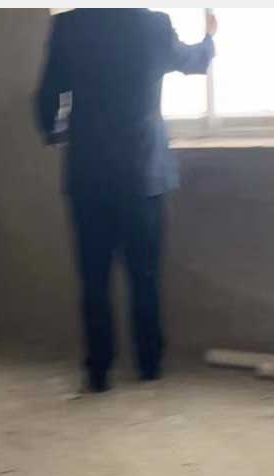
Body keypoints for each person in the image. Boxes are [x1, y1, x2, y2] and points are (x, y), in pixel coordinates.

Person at [35, 8, 217, 393]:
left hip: (88, 174)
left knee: (94, 279)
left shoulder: (69, 26)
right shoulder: (153, 25)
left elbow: (47, 96)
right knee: (144, 275)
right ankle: (149, 364)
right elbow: (193, 62)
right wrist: (210, 39)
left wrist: (54, 134)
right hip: (142, 173)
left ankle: (98, 371)